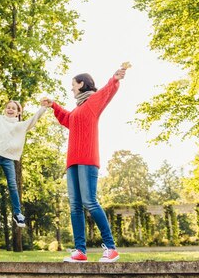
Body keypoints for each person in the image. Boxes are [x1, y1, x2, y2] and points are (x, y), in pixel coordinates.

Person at [41, 64, 128, 263]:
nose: (71, 88)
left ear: (81, 84)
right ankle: (80, 251)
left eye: (73, 84)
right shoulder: (78, 109)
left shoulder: (92, 102)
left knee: (90, 202)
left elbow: (107, 91)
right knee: (75, 207)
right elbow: (67, 118)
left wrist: (114, 78)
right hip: (72, 162)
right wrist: (53, 105)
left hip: (87, 160)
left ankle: (111, 248)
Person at [0, 83, 47, 231]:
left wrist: (43, 107)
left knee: (12, 184)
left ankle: (17, 213)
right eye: (8, 107)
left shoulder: (21, 125)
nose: (10, 109)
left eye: (13, 108)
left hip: (8, 158)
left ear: (18, 112)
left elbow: (34, 119)